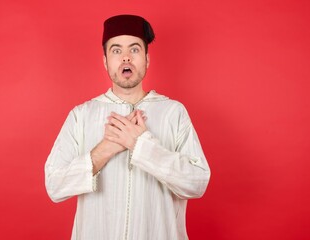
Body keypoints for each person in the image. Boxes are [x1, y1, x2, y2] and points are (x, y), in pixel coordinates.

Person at [45, 14, 211, 240]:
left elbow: (197, 183)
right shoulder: (81, 115)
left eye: (134, 50)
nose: (125, 58)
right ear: (105, 61)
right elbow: (55, 185)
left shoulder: (173, 112)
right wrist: (104, 150)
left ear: (147, 59)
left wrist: (141, 145)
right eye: (116, 50)